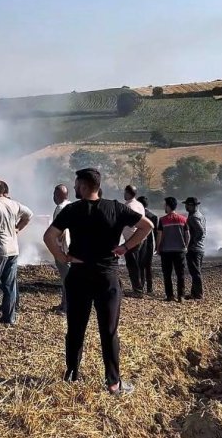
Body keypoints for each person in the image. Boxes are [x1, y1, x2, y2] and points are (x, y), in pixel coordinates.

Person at [44, 168, 154, 396]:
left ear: (84, 186)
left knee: (75, 328)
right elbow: (147, 226)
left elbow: (48, 236)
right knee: (109, 330)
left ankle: (72, 375)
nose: (74, 189)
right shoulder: (115, 207)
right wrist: (125, 247)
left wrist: (63, 257)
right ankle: (113, 383)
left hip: (79, 275)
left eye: (76, 185)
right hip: (107, 276)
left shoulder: (72, 210)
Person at [0, 178, 33, 324]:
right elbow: (29, 214)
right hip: (13, 249)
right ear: (3, 191)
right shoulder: (14, 204)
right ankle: (9, 317)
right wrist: (17, 229)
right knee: (10, 285)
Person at [156, 197, 190, 303]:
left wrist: (157, 248)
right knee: (180, 274)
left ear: (168, 206)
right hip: (180, 250)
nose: (164, 207)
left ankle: (170, 295)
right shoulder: (183, 219)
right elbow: (187, 235)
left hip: (166, 251)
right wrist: (186, 246)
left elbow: (159, 235)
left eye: (165, 205)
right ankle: (181, 296)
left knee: (167, 274)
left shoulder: (162, 220)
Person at [120, 185, 146, 295]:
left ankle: (137, 290)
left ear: (128, 193)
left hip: (132, 240)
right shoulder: (139, 204)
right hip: (141, 238)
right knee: (138, 265)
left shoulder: (129, 206)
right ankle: (140, 287)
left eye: (125, 192)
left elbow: (131, 225)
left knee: (132, 266)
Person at [51, 184, 71, 314]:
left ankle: (67, 307)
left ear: (58, 195)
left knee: (67, 280)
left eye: (54, 193)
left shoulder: (60, 208)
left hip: (63, 248)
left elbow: (58, 231)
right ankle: (64, 304)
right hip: (70, 246)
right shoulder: (72, 206)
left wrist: (55, 246)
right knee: (67, 279)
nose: (53, 196)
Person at [184, 197, 206, 300]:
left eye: (187, 205)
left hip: (194, 248)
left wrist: (192, 242)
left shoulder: (193, 217)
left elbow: (200, 231)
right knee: (196, 271)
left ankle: (199, 294)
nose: (186, 207)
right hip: (200, 248)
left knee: (195, 272)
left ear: (192, 205)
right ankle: (194, 293)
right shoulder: (201, 215)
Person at [135, 196, 158, 294]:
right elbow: (156, 232)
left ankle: (141, 286)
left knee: (140, 265)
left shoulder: (139, 216)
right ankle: (149, 288)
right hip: (150, 243)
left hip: (140, 241)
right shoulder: (153, 216)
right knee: (148, 266)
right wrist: (157, 245)